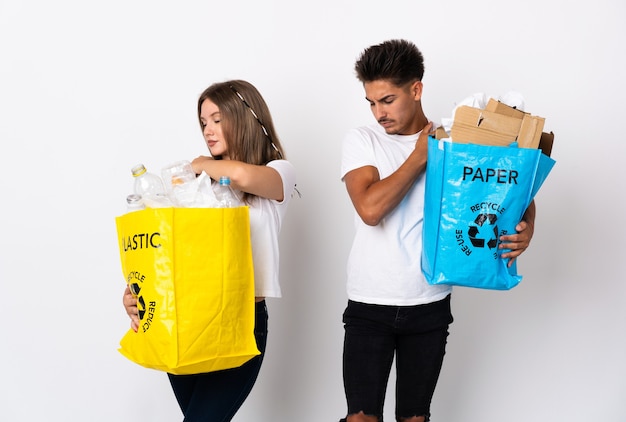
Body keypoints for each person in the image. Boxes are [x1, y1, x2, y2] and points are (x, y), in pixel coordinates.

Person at [339, 39, 536, 422]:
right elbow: (370, 208)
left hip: (429, 304)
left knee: (416, 418)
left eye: (388, 100)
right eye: (371, 102)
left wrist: (529, 224)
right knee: (361, 418)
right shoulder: (362, 140)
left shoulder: (456, 140)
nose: (378, 112)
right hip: (369, 303)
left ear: (416, 89)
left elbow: (507, 185)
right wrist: (418, 156)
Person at [122, 79, 297, 421]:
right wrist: (135, 294)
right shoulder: (192, 187)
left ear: (244, 117)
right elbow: (169, 253)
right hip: (185, 318)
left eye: (217, 119)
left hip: (241, 320)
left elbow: (239, 176)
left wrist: (200, 164)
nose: (208, 130)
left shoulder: (278, 172)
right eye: (204, 122)